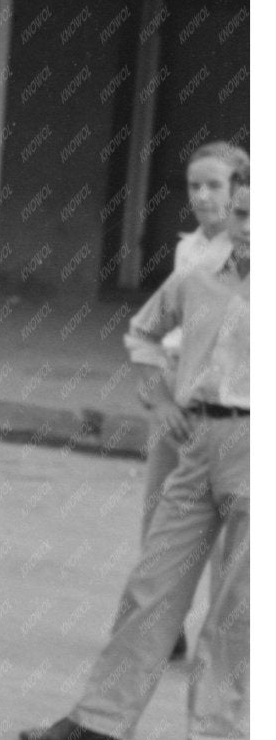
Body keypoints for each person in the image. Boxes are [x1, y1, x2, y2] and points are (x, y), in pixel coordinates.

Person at [19, 181, 250, 740]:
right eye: (241, 212)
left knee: (239, 603)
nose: (247, 226)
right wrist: (160, 399)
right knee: (152, 584)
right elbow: (143, 333)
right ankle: (101, 718)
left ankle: (214, 735)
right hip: (198, 441)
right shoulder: (197, 280)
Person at [114, 141, 245, 662]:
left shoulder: (245, 254)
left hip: (229, 405)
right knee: (162, 513)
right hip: (179, 388)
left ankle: (224, 638)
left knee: (230, 532)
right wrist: (158, 396)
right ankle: (159, 629)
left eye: (215, 186)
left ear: (240, 191)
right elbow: (152, 328)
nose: (203, 196)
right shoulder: (189, 250)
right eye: (195, 186)